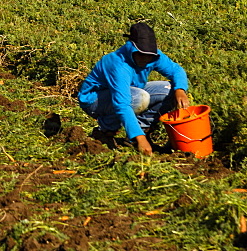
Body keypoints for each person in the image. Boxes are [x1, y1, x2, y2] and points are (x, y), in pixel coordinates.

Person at [77, 22, 190, 156]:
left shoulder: (152, 56)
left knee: (169, 89)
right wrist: (139, 138)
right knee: (139, 98)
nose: (145, 59)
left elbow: (176, 70)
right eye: (141, 54)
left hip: (132, 91)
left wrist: (180, 90)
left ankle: (139, 131)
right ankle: (106, 130)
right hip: (95, 100)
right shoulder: (118, 65)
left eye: (149, 55)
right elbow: (122, 104)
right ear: (132, 48)